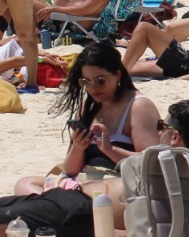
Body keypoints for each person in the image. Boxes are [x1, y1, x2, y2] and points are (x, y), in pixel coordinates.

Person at [46, 41, 160, 175]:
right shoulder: (89, 106)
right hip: (85, 181)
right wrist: (78, 148)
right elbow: (70, 170)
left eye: (100, 81)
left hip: (118, 183)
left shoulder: (138, 106)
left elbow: (153, 164)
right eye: (85, 82)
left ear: (117, 75)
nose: (92, 88)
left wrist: (111, 150)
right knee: (25, 183)